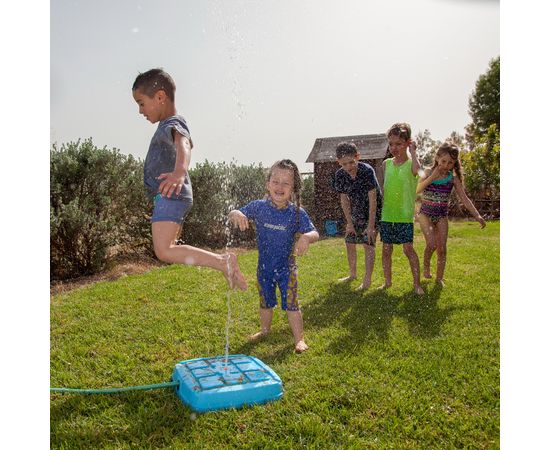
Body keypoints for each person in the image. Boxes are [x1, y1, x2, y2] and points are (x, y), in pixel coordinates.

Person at [131, 68, 247, 290]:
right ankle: (224, 263)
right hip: (168, 195)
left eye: (141, 103)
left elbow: (183, 144)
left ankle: (223, 262)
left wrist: (179, 172)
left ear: (160, 97)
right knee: (167, 248)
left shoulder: (173, 123)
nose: (140, 110)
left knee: (164, 250)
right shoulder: (165, 125)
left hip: (172, 194)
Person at [228, 159, 319, 353]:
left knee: (292, 304)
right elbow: (235, 212)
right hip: (264, 268)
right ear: (268, 184)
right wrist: (237, 213)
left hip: (287, 269)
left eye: (286, 183)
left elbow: (315, 233)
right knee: (265, 302)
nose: (280, 186)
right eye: (275, 181)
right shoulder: (259, 207)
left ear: (293, 188)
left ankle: (299, 339)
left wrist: (306, 237)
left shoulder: (296, 213)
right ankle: (265, 331)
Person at [416, 142, 486, 286]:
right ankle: (426, 265)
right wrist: (432, 177)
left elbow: (464, 199)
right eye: (443, 161)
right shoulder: (428, 172)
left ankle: (439, 278)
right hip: (425, 215)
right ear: (437, 158)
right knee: (431, 244)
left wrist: (477, 215)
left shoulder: (452, 179)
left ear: (454, 164)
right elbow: (417, 190)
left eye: (450, 163)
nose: (446, 165)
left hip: (441, 215)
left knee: (442, 248)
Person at [379, 123, 424, 295]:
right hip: (387, 215)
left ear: (407, 143)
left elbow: (419, 172)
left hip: (404, 216)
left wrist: (413, 152)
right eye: (391, 144)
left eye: (398, 144)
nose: (394, 148)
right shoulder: (386, 164)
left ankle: (417, 284)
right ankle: (387, 282)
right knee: (386, 250)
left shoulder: (412, 165)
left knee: (408, 250)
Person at [333, 142, 382, 290]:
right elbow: (344, 200)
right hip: (357, 209)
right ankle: (352, 274)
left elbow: (373, 199)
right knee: (349, 241)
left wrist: (371, 226)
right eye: (344, 164)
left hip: (374, 209)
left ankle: (367, 280)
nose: (348, 167)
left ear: (357, 157)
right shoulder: (340, 175)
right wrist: (349, 223)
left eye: (351, 162)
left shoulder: (367, 171)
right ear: (338, 162)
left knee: (368, 243)